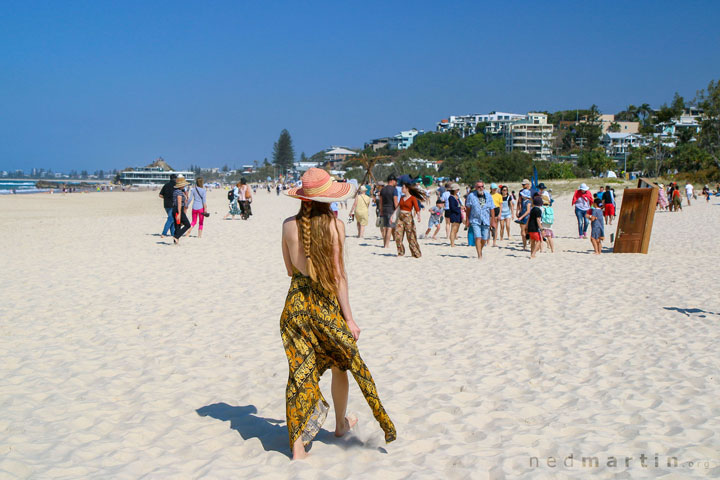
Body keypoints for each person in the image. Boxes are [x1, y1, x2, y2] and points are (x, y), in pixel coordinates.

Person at [280, 168, 396, 460]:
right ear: (327, 198)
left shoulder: (287, 225)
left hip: (295, 306)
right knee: (340, 365)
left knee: (300, 373)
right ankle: (341, 426)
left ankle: (297, 447)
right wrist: (349, 317)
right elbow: (339, 276)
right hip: (325, 306)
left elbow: (289, 271)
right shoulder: (336, 226)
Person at [464, 180, 495, 259]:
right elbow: (468, 208)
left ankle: (480, 249)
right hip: (475, 219)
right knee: (478, 237)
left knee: (484, 238)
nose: (481, 188)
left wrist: (493, 220)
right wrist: (467, 220)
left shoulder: (488, 195)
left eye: (482, 186)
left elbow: (492, 208)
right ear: (475, 187)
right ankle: (479, 255)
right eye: (479, 187)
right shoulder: (471, 196)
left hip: (485, 220)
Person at [395, 182, 426, 257]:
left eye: (403, 188)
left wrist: (418, 216)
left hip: (408, 217)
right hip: (400, 217)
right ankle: (400, 252)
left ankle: (415, 253)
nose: (402, 189)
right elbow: (398, 207)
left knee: (411, 236)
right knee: (398, 236)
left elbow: (416, 208)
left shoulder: (412, 198)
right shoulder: (402, 198)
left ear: (407, 189)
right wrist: (393, 216)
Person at [378, 175, 399, 248]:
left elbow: (380, 202)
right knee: (389, 227)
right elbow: (395, 202)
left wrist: (381, 211)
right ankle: (386, 245)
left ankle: (384, 244)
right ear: (392, 181)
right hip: (391, 210)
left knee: (384, 227)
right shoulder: (394, 190)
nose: (396, 183)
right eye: (395, 181)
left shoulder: (383, 189)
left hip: (383, 209)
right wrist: (397, 211)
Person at [172, 175, 192, 245]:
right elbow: (179, 203)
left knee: (178, 226)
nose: (184, 186)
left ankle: (176, 241)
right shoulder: (179, 192)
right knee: (187, 225)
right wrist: (180, 213)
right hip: (178, 209)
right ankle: (176, 237)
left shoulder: (176, 191)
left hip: (175, 209)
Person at [489, 183, 502, 247]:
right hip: (490, 210)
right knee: (488, 227)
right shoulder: (488, 195)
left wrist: (500, 214)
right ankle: (488, 241)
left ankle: (494, 242)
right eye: (493, 189)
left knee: (496, 227)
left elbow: (501, 205)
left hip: (496, 209)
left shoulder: (499, 195)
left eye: (495, 189)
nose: (494, 190)